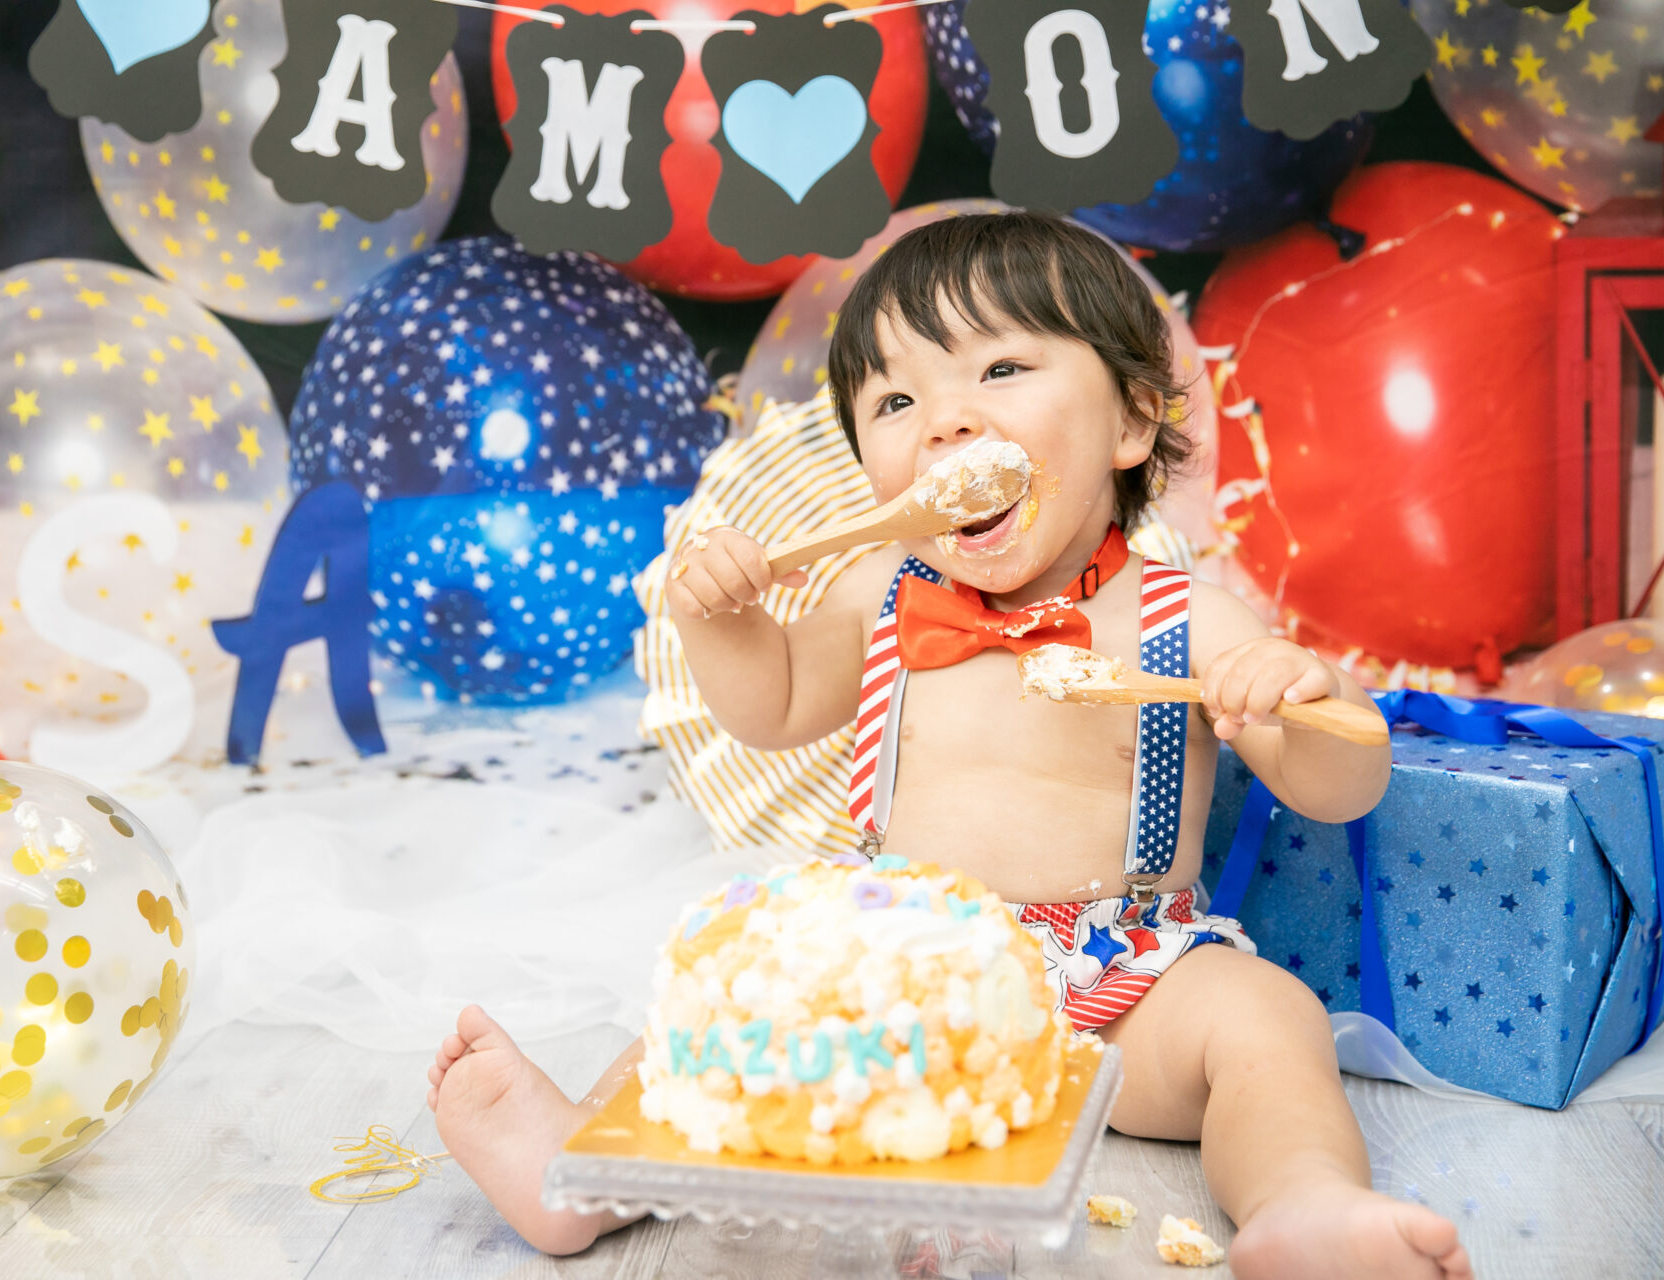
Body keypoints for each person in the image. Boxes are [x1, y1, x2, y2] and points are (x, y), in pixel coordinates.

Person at [426, 211, 1473, 1279]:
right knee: (734, 1000)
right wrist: (724, 621)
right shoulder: (877, 589)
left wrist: (1304, 697)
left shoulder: (1189, 617)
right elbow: (773, 705)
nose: (945, 423)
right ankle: (581, 1166)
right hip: (901, 970)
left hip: (1124, 980)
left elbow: (1340, 787)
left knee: (1267, 1018)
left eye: (1002, 368)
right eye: (896, 402)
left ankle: (1302, 1202)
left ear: (1129, 423)